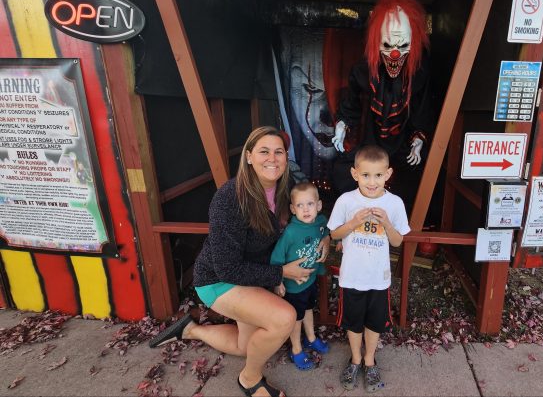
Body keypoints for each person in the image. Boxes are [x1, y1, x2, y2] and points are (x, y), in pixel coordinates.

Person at [149, 126, 329, 397]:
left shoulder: (288, 189)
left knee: (249, 346)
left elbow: (312, 219)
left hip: (254, 276)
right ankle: (250, 379)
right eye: (264, 151)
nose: (272, 158)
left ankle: (190, 330)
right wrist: (280, 274)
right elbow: (227, 268)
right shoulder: (230, 198)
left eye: (278, 152)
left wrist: (324, 239)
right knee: (283, 318)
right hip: (219, 280)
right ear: (248, 156)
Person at [331, 0, 434, 212]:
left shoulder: (418, 74)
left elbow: (421, 111)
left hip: (402, 139)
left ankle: (396, 216)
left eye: (403, 45)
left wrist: (418, 140)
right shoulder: (362, 71)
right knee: (345, 170)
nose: (395, 54)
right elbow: (351, 105)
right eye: (388, 44)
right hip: (371, 137)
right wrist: (342, 125)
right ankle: (361, 212)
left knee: (414, 172)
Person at [327, 145, 411, 393]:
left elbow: (398, 242)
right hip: (352, 276)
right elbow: (334, 234)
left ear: (388, 174)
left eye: (378, 175)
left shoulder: (394, 203)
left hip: (378, 278)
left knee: (374, 322)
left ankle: (369, 360)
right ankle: (355, 359)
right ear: (355, 174)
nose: (372, 182)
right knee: (353, 322)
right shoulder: (346, 200)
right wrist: (354, 222)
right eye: (365, 175)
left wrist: (386, 223)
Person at [270, 182, 331, 371]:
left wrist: (327, 238)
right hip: (293, 286)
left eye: (310, 204)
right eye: (300, 205)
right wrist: (277, 282)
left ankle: (311, 338)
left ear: (318, 206)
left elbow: (327, 230)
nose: (306, 210)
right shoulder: (291, 232)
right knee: (296, 318)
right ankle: (296, 349)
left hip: (310, 281)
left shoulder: (320, 222)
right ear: (292, 209)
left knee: (308, 309)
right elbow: (276, 259)